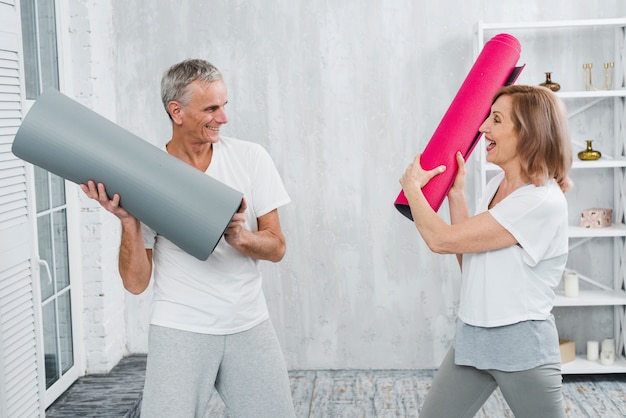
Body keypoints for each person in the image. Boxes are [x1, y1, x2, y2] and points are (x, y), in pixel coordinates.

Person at [81, 59, 295, 418]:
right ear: (176, 111)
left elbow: (277, 247)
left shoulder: (251, 157)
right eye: (211, 108)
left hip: (248, 323)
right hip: (180, 327)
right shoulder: (147, 175)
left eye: (224, 105)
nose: (223, 118)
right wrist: (128, 221)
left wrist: (240, 238)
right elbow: (135, 284)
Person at [399, 85, 572, 418]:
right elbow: (471, 262)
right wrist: (456, 196)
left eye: (496, 119)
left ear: (528, 134)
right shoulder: (498, 185)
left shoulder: (540, 201)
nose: (482, 128)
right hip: (473, 337)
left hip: (520, 346)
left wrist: (412, 190)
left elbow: (441, 240)